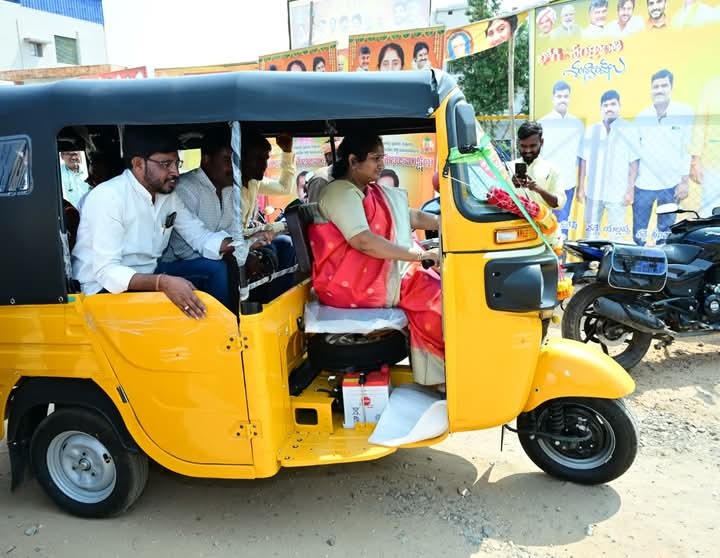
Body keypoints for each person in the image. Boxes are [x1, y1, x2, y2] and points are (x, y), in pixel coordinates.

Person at [308, 133, 443, 386]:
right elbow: (363, 241)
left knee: (436, 282)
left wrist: (445, 222)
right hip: (352, 283)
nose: (382, 164)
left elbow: (410, 216)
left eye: (382, 158)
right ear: (353, 161)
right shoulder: (339, 192)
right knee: (438, 301)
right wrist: (419, 255)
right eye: (375, 158)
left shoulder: (369, 191)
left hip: (378, 272)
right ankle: (447, 375)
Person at [72, 125, 235, 318]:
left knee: (216, 269)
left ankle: (225, 328)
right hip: (103, 290)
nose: (175, 172)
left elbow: (198, 235)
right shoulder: (108, 196)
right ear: (138, 164)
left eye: (177, 163)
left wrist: (240, 243)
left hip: (149, 271)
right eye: (166, 164)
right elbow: (107, 271)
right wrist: (161, 283)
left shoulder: (168, 196)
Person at [633, 69, 694, 244]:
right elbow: (634, 154)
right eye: (656, 86)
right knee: (639, 232)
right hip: (643, 184)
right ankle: (637, 257)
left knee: (665, 233)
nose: (659, 90)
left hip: (671, 184)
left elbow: (687, 149)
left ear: (671, 88)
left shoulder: (684, 113)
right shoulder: (641, 117)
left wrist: (684, 182)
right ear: (651, 90)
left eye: (663, 86)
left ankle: (661, 258)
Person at [241, 132, 298, 300]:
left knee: (287, 244)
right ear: (242, 159)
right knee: (269, 250)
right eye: (258, 159)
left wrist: (287, 152)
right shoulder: (230, 187)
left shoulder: (254, 182)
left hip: (249, 239)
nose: (264, 165)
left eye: (266, 159)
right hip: (232, 245)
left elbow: (284, 188)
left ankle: (278, 300)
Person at [577, 90, 639, 241]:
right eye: (605, 105)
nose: (609, 108)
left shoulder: (629, 130)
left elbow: (634, 163)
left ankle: (613, 257)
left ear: (619, 106)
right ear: (601, 108)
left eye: (613, 104)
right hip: (593, 193)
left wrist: (630, 190)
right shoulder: (591, 131)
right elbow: (583, 160)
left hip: (618, 194)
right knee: (591, 236)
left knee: (616, 237)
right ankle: (592, 257)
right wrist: (581, 187)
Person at [538, 81, 585, 238]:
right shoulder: (542, 124)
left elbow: (582, 157)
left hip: (568, 184)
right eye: (559, 96)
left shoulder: (577, 125)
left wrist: (581, 187)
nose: (562, 100)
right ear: (553, 99)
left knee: (562, 227)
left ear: (569, 98)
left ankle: (561, 253)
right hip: (546, 184)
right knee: (545, 224)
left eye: (565, 96)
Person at [511, 121, 566, 213]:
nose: (528, 150)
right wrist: (509, 184)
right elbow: (495, 197)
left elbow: (558, 204)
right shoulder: (508, 168)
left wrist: (539, 190)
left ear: (541, 142)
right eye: (523, 146)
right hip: (512, 222)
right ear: (518, 143)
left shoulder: (552, 169)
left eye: (532, 146)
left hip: (542, 222)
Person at [690, 78, 720, 217]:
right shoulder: (712, 87)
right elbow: (699, 125)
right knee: (711, 210)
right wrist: (695, 159)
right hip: (713, 163)